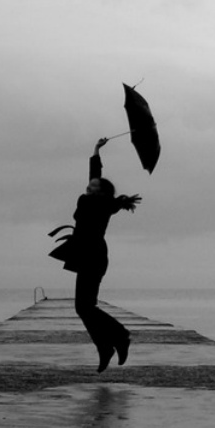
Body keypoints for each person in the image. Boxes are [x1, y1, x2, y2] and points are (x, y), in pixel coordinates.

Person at [67, 137, 141, 372]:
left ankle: (119, 337)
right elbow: (95, 174)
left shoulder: (101, 204)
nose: (89, 186)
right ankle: (106, 345)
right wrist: (96, 150)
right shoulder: (90, 199)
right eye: (90, 185)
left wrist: (120, 202)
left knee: (85, 307)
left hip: (94, 257)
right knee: (83, 307)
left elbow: (111, 201)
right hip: (86, 256)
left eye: (94, 186)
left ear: (101, 192)